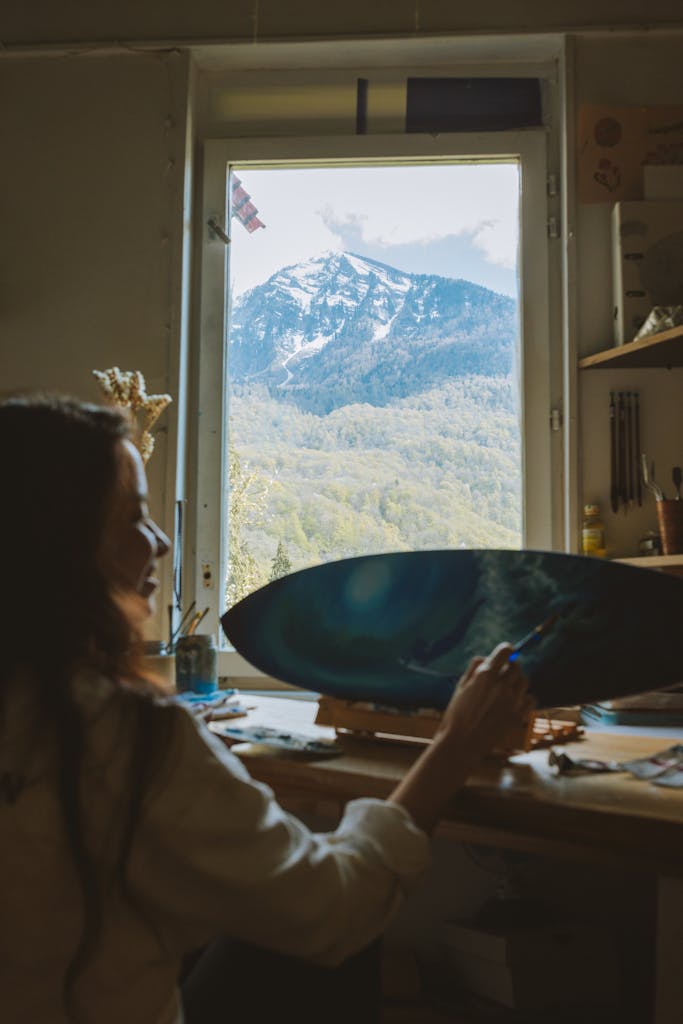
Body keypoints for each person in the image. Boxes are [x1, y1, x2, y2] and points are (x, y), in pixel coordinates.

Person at [0, 393, 533, 1024]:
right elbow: (336, 909)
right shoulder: (128, 735)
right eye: (135, 517)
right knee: (342, 938)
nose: (162, 541)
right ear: (64, 545)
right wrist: (455, 744)